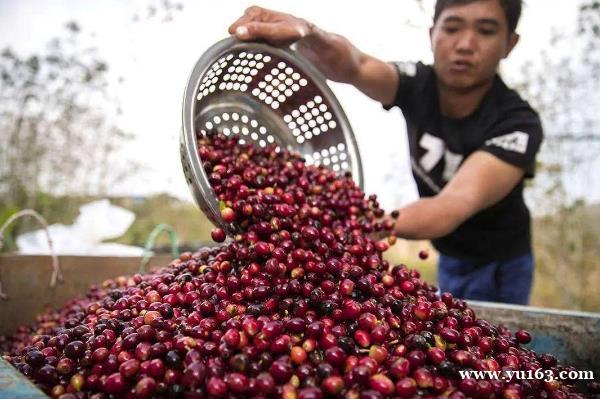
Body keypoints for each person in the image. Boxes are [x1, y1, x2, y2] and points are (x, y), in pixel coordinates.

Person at [228, 0, 543, 305]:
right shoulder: (419, 84)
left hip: (500, 262)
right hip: (450, 254)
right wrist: (311, 34)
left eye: (486, 31)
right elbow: (356, 65)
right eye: (452, 28)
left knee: (488, 342)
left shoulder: (516, 123)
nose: (464, 44)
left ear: (509, 43)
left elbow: (454, 203)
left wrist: (360, 224)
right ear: (432, 33)